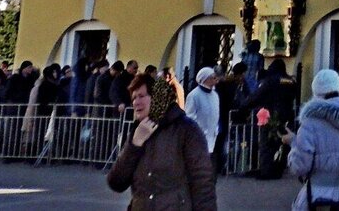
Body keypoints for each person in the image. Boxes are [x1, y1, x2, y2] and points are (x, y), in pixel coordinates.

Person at [107, 71, 217, 210]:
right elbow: (116, 182)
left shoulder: (186, 129)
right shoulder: (137, 131)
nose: (136, 102)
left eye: (141, 96)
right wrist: (134, 144)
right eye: (133, 98)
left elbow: (202, 182)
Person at [281, 68, 339, 211]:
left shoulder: (310, 124)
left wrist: (294, 143)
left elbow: (299, 166)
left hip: (314, 198)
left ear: (316, 92)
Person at [242, 56, 296, 179]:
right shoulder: (291, 81)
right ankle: (279, 168)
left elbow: (257, 96)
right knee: (282, 143)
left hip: (271, 116)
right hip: (287, 115)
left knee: (267, 143)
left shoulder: (271, 80)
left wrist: (244, 105)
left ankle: (267, 171)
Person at [185, 67, 221, 156]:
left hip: (211, 136)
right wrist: (199, 130)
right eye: (213, 77)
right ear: (206, 79)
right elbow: (190, 116)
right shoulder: (194, 95)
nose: (216, 79)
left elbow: (216, 113)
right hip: (198, 137)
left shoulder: (215, 95)